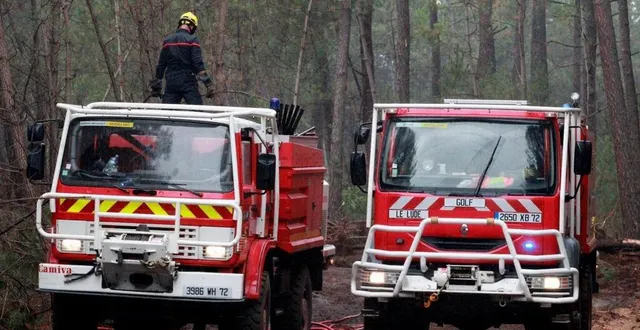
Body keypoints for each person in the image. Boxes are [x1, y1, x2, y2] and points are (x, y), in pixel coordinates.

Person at [149, 12, 214, 105]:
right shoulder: (192, 40)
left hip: (171, 82)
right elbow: (198, 64)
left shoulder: (167, 41)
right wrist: (208, 84)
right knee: (198, 113)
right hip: (188, 81)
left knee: (167, 114)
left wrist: (156, 87)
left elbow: (161, 65)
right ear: (192, 26)